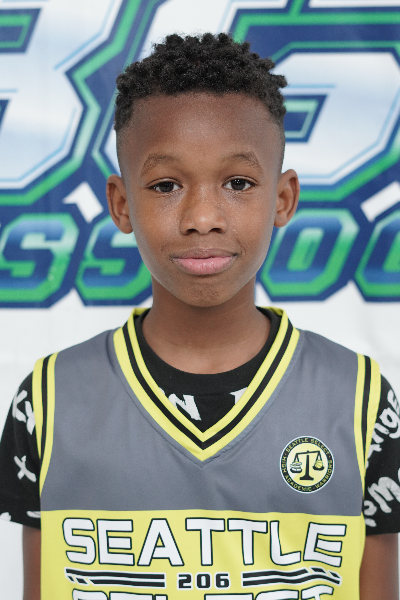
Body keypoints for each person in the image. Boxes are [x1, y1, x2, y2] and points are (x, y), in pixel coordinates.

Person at [0, 32, 398, 600]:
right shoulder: (50, 399)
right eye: (166, 185)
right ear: (121, 204)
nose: (202, 216)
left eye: (238, 183)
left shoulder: (358, 400)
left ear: (283, 199)